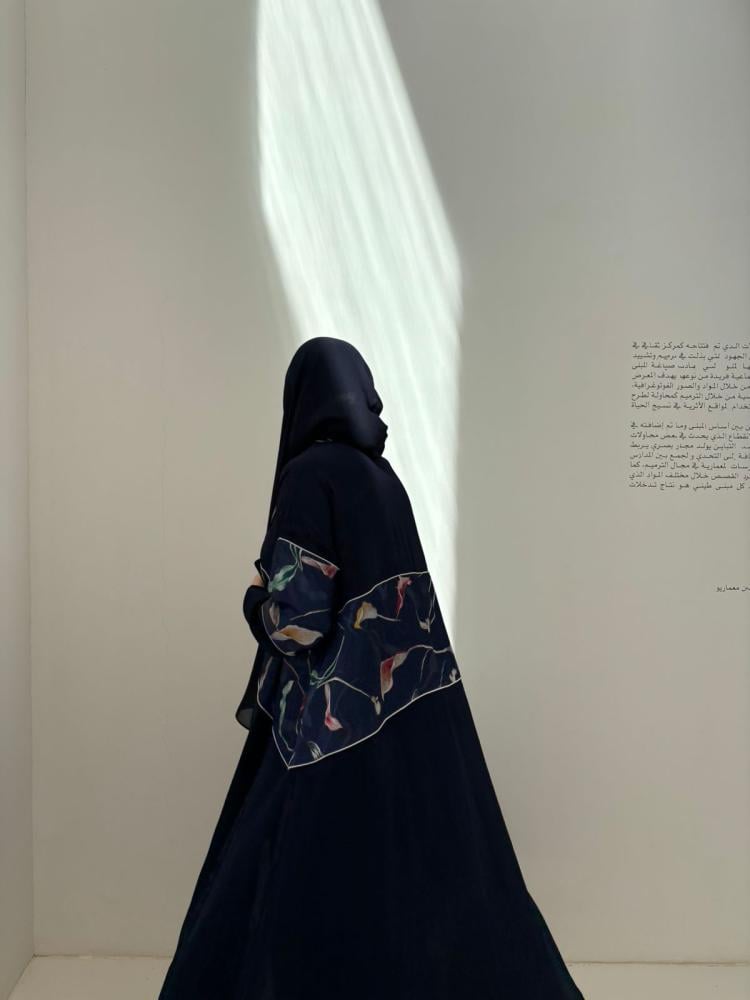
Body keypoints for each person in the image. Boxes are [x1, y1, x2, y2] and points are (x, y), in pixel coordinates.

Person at [157, 336, 586, 999]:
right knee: (408, 890)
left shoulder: (310, 476)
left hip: (326, 731)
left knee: (280, 885)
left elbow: (299, 624)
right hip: (405, 725)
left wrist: (253, 598)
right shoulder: (383, 480)